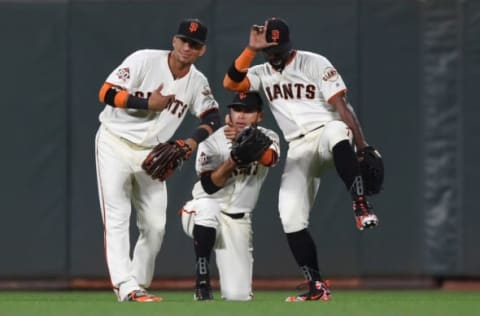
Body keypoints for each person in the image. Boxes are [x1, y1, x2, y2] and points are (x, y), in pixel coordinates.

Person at [223, 17, 380, 302]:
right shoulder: (259, 71)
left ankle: (360, 205)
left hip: (326, 131)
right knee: (290, 215)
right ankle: (316, 286)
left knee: (336, 131)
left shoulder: (314, 63)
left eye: (278, 49)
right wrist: (249, 49)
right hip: (298, 147)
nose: (274, 55)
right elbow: (230, 82)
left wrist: (363, 146)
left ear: (288, 44)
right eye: (268, 50)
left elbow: (342, 107)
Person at [95, 18, 221, 302]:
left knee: (155, 225)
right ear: (174, 41)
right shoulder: (143, 60)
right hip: (114, 142)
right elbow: (106, 92)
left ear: (202, 50)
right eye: (184, 41)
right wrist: (145, 103)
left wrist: (191, 142)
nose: (188, 47)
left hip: (152, 153)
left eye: (195, 45)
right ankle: (126, 287)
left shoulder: (197, 82)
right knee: (117, 217)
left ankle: (138, 283)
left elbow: (212, 116)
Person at [180, 91, 280, 301]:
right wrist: (232, 161)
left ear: (259, 116)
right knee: (209, 207)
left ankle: (231, 289)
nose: (241, 116)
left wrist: (247, 143)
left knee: (238, 296)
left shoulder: (269, 137)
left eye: (248, 111)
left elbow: (270, 159)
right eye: (237, 110)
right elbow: (208, 186)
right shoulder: (213, 140)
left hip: (238, 221)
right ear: (230, 113)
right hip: (202, 211)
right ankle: (202, 279)